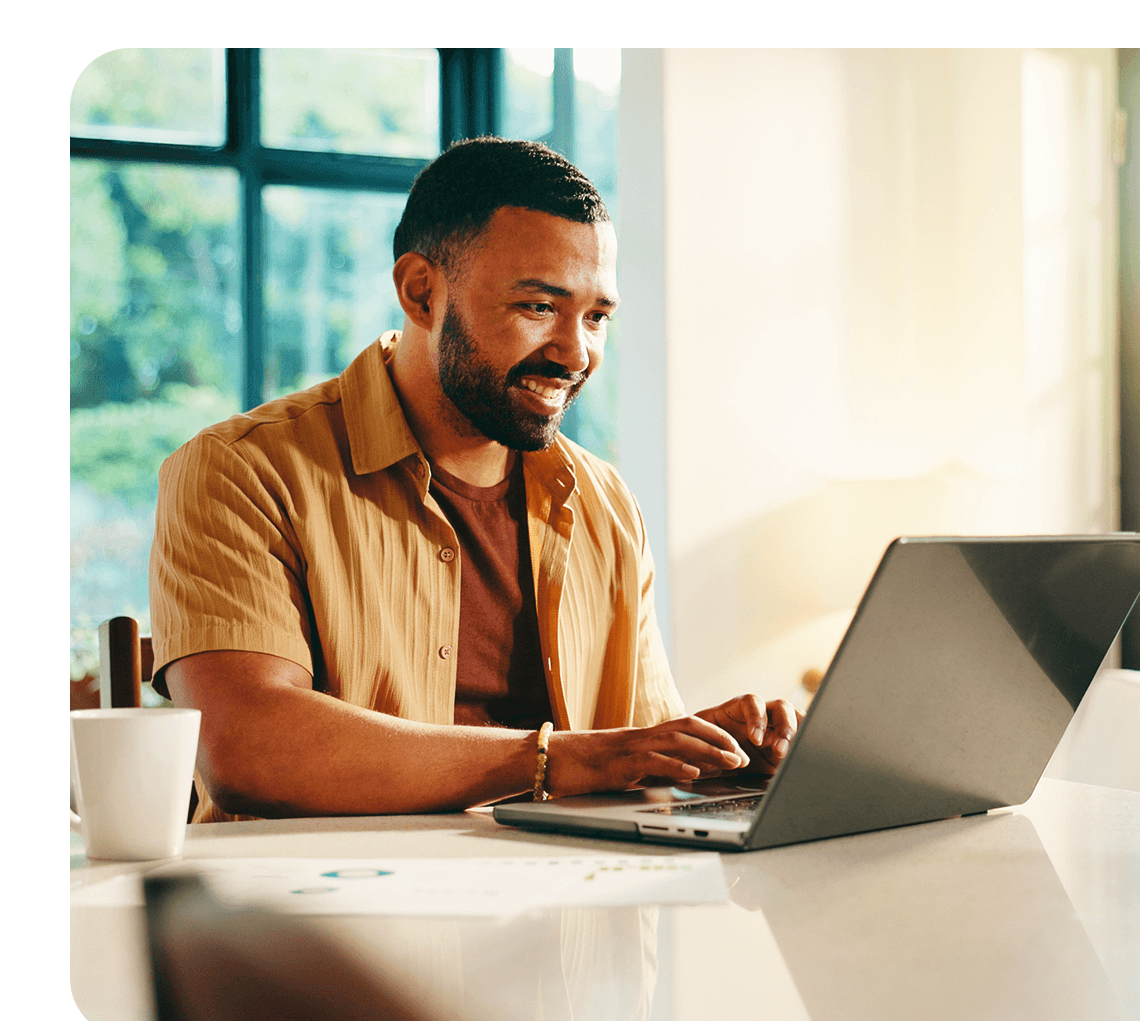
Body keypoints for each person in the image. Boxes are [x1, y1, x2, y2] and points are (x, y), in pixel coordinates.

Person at [150, 138, 796, 822]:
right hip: (319, 916)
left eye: (597, 316)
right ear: (421, 291)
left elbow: (626, 752)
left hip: (565, 911)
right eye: (538, 308)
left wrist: (714, 760)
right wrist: (559, 761)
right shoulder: (241, 471)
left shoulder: (607, 505)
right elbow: (246, 749)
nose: (577, 353)